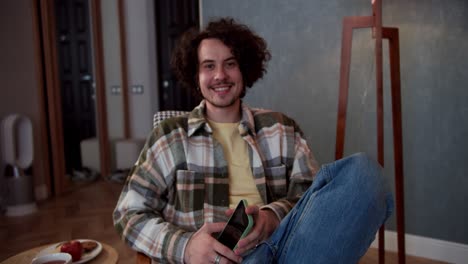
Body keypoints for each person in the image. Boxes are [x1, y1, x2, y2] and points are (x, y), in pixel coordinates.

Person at [113, 17, 393, 264]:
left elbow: (311, 198)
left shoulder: (282, 128)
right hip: (218, 259)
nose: (220, 75)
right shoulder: (169, 136)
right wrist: (185, 247)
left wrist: (272, 218)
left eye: (230, 64)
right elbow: (128, 212)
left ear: (244, 71)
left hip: (285, 247)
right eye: (208, 66)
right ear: (196, 77)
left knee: (364, 173)